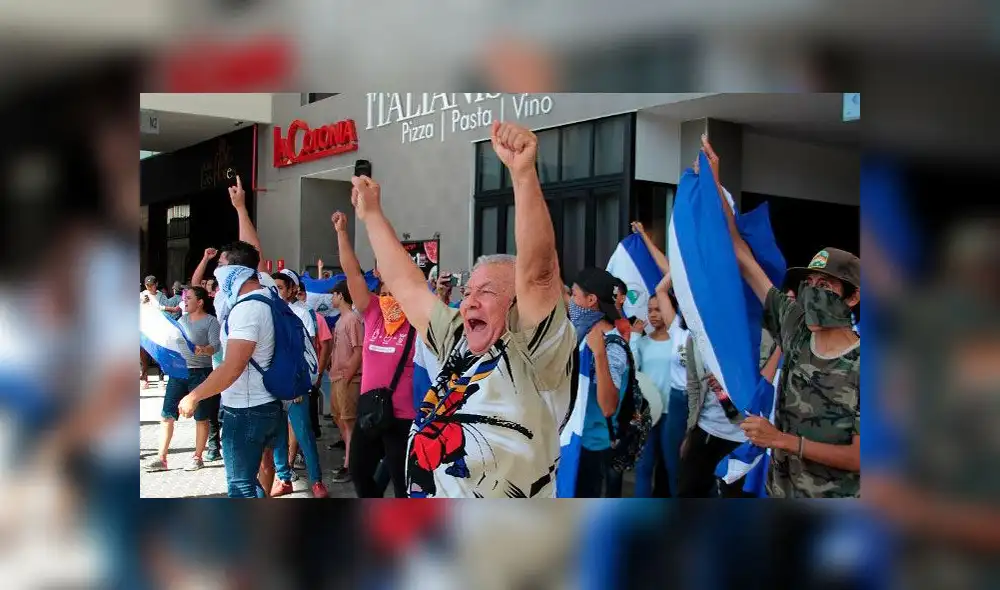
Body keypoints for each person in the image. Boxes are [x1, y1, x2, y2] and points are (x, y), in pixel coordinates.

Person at [351, 121, 575, 498]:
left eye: (487, 292)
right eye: (468, 290)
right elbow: (407, 286)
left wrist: (523, 174)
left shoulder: (539, 355)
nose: (469, 300)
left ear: (517, 304)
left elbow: (539, 274)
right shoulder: (458, 338)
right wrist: (371, 215)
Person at [701, 136, 861, 498]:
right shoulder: (795, 326)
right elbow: (742, 257)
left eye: (826, 286)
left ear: (853, 297)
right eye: (809, 283)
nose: (813, 293)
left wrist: (782, 441)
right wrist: (714, 185)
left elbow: (862, 458)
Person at [333, 210, 417, 498]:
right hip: (371, 411)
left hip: (403, 416)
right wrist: (342, 233)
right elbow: (352, 273)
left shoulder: (418, 314)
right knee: (359, 472)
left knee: (403, 487)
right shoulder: (373, 310)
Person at [568, 268, 632, 498]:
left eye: (574, 295)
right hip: (573, 440)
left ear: (591, 300)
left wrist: (599, 354)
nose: (571, 301)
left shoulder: (612, 345)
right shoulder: (580, 334)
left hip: (593, 446)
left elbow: (608, 406)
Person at [143, 286, 221, 472]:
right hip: (179, 373)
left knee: (201, 417)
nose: (184, 300)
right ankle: (161, 458)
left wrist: (204, 349)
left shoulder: (211, 322)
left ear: (200, 302)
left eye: (189, 298)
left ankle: (197, 457)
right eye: (185, 297)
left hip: (201, 373)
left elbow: (216, 346)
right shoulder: (180, 320)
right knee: (167, 415)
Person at [269, 270, 329, 498]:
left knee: (304, 433)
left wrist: (299, 383)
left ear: (291, 290)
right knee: (278, 436)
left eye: (280, 288)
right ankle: (283, 478)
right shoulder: (266, 312)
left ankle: (316, 481)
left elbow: (306, 352)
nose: (276, 292)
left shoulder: (301, 314)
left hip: (296, 386)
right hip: (273, 385)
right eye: (273, 288)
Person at [632, 276, 689, 497]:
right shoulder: (642, 342)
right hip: (648, 413)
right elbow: (632, 369)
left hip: (674, 414)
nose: (653, 314)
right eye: (650, 310)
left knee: (673, 469)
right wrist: (634, 338)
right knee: (644, 467)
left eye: (658, 309)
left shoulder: (680, 341)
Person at [328, 279, 363, 484]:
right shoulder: (342, 320)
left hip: (347, 378)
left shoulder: (352, 319)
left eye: (334, 294)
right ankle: (349, 460)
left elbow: (358, 351)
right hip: (337, 377)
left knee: (349, 422)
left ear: (341, 295)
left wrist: (347, 376)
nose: (331, 298)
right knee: (340, 419)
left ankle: (350, 465)